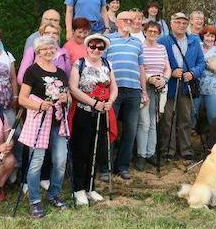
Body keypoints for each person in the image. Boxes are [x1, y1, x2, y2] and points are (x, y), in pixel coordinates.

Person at [18, 36, 71, 218]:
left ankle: (54, 194)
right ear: (37, 52)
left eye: (51, 48)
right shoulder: (32, 71)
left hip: (57, 122)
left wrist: (66, 98)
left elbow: (67, 96)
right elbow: (22, 99)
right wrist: (39, 105)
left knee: (61, 160)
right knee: (36, 163)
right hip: (39, 121)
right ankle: (34, 200)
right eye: (44, 49)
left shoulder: (61, 73)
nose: (48, 51)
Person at [68, 34, 118, 206]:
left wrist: (110, 101)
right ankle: (78, 189)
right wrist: (93, 102)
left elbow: (113, 87)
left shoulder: (107, 64)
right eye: (93, 46)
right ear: (87, 47)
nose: (96, 50)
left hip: (102, 112)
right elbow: (73, 88)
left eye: (100, 47)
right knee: (81, 150)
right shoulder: (79, 64)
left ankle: (90, 187)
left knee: (95, 150)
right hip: (83, 112)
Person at [104, 10, 148, 178]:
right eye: (126, 20)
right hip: (113, 91)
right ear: (118, 22)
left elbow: (141, 68)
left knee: (130, 130)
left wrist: (144, 91)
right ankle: (106, 166)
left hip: (134, 90)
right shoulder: (108, 40)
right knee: (110, 129)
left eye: (132, 20)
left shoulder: (137, 43)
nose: (130, 22)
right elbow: (104, 66)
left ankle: (122, 166)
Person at [159, 12, 204, 161]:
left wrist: (192, 73)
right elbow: (157, 61)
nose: (181, 25)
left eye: (184, 23)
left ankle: (185, 150)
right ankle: (167, 151)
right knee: (168, 118)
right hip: (169, 85)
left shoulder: (194, 41)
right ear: (171, 24)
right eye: (178, 22)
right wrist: (171, 72)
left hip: (186, 86)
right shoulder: (163, 40)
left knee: (186, 118)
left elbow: (201, 63)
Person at [135, 21, 170, 170]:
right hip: (144, 87)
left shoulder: (162, 48)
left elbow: (168, 68)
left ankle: (151, 153)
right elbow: (138, 68)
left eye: (155, 32)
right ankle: (141, 155)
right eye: (150, 31)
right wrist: (149, 78)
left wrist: (164, 79)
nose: (152, 34)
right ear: (145, 32)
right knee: (144, 122)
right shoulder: (139, 47)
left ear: (159, 34)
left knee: (154, 123)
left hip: (159, 88)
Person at [198, 25, 216, 126]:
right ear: (203, 36)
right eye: (207, 36)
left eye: (212, 37)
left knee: (213, 116)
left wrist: (213, 68)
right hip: (196, 86)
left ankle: (213, 139)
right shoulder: (197, 47)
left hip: (212, 87)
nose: (209, 39)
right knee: (193, 114)